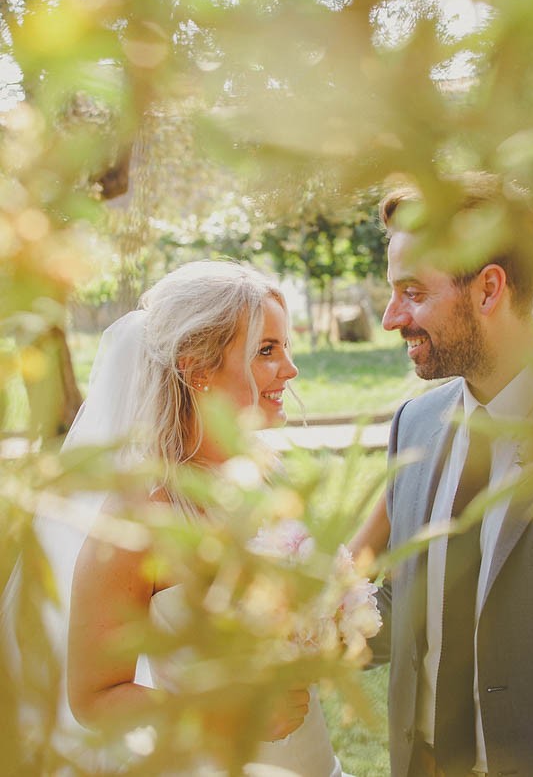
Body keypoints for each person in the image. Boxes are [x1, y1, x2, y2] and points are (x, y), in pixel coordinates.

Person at [52, 259, 348, 776]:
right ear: (197, 370)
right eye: (266, 351)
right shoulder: (138, 516)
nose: (291, 369)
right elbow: (94, 697)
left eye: (286, 347)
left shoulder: (270, 479)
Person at [369, 174, 533, 777]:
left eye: (412, 291)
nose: (392, 317)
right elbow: (406, 596)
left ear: (489, 289)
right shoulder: (412, 426)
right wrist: (311, 633)